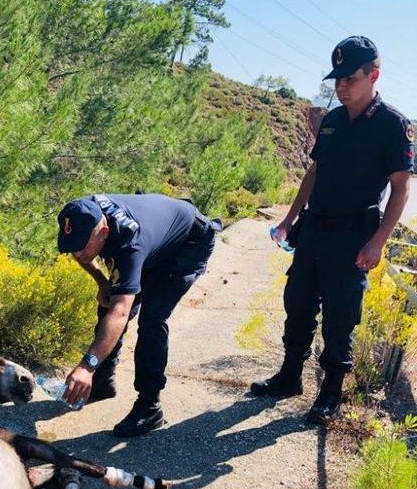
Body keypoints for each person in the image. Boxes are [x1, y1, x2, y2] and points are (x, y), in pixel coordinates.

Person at [251, 36, 414, 424]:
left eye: (349, 78)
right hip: (314, 231)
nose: (340, 86)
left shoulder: (394, 125)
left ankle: (330, 394)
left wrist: (378, 242)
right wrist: (290, 219)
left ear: (373, 75)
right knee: (298, 304)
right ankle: (289, 377)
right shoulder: (333, 121)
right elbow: (315, 171)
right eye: (336, 79)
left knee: (340, 317)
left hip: (354, 236)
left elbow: (401, 187)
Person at [56, 193, 219, 436]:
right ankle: (102, 383)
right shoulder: (82, 212)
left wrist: (87, 366)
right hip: (155, 241)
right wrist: (103, 282)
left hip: (188, 244)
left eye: (82, 246)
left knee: (152, 318)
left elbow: (121, 312)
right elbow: (85, 255)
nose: (77, 254)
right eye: (72, 246)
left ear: (103, 231)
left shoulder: (129, 242)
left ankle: (150, 406)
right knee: (109, 301)